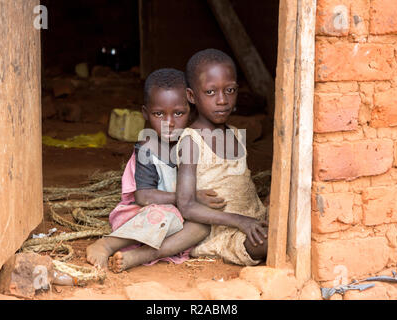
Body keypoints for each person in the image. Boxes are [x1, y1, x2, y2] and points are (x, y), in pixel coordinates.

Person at [86, 68, 224, 271]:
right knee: (163, 216)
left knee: (201, 225)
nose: (169, 123)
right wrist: (191, 197)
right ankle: (106, 244)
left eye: (178, 113)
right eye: (159, 114)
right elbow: (144, 196)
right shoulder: (148, 148)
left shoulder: (192, 142)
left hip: (180, 215)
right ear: (145, 113)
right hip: (143, 215)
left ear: (191, 111)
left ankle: (141, 256)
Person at [175, 49, 269, 266]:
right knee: (277, 241)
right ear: (191, 96)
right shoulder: (191, 140)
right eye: (210, 92)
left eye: (230, 90)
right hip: (222, 232)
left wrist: (256, 215)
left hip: (255, 220)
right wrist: (239, 221)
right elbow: (187, 205)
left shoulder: (236, 133)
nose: (222, 100)